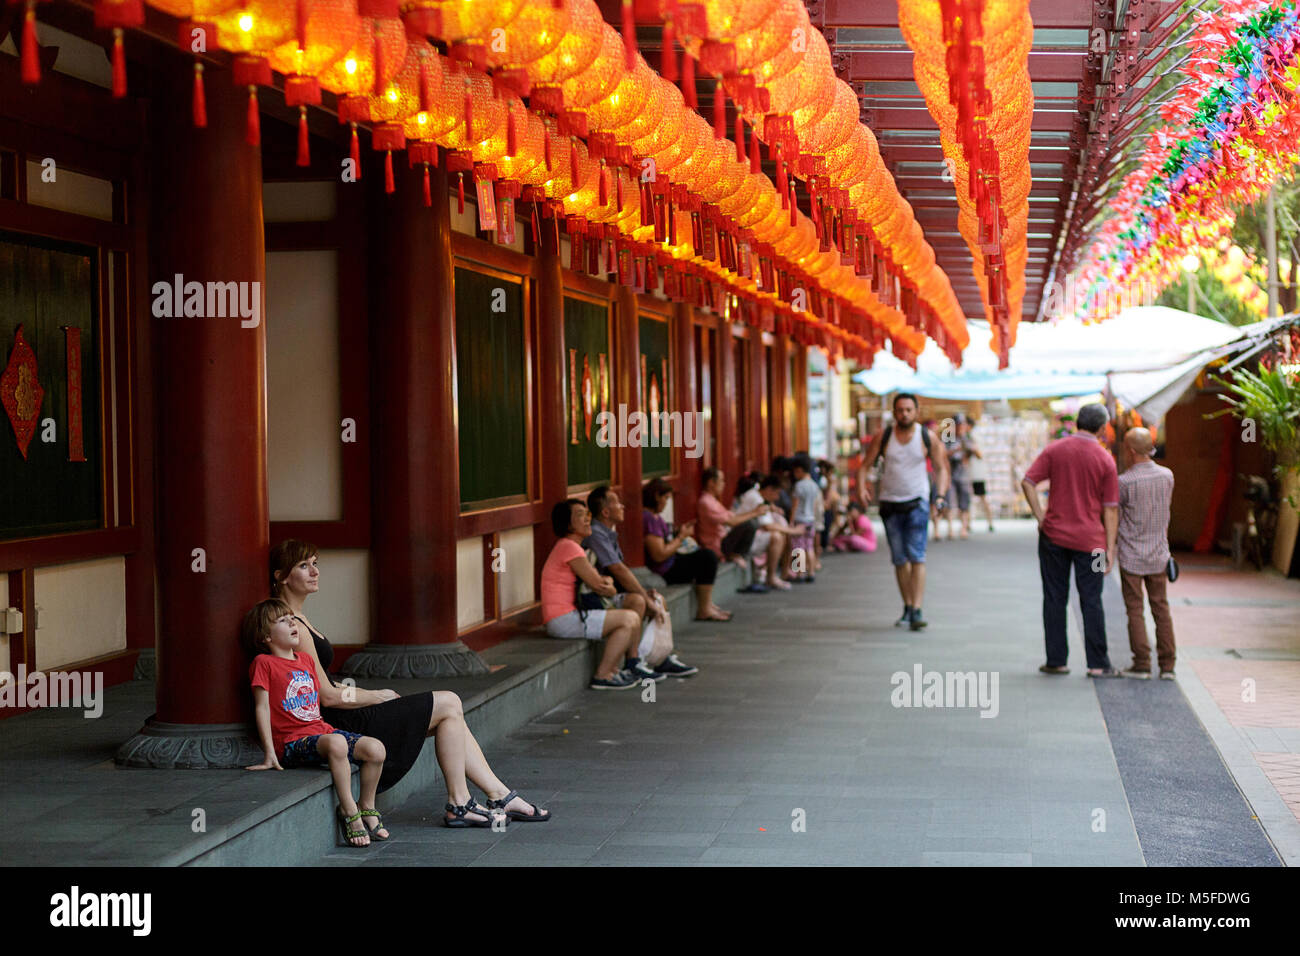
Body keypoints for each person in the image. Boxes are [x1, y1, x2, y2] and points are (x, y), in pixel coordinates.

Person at [270, 540, 549, 828]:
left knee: (449, 714)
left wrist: (371, 694)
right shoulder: (291, 624)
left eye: (315, 563)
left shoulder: (299, 619)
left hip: (343, 712)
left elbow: (325, 682)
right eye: (304, 566)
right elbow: (326, 696)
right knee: (449, 702)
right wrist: (376, 696)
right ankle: (467, 801)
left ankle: (487, 796)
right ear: (280, 576)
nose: (314, 571)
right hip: (338, 722)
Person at [242, 599, 388, 846]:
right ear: (265, 636)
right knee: (338, 744)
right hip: (291, 742)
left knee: (376, 749)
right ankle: (349, 812)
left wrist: (370, 695)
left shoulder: (306, 660)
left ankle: (366, 805)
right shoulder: (263, 663)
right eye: (282, 620)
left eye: (292, 618)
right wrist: (269, 753)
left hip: (321, 732)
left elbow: (328, 692)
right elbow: (262, 707)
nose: (292, 622)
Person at [1020, 403, 1121, 678]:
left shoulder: (1055, 449)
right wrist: (1110, 549)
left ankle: (1056, 660)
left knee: (1054, 597)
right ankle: (1098, 664)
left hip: (1053, 537)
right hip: (1095, 544)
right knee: (1093, 599)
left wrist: (1040, 517)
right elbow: (1111, 508)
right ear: (1102, 428)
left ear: (1077, 423)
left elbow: (1028, 481)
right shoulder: (1106, 460)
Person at [584, 485, 698, 678]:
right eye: (617, 503)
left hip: (609, 592)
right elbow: (618, 570)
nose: (622, 506)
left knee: (656, 599)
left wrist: (646, 594)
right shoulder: (596, 534)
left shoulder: (608, 533)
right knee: (639, 601)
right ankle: (634, 662)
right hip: (595, 597)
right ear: (605, 511)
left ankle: (660, 657)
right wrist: (645, 597)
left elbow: (621, 571)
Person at [858, 394, 949, 630]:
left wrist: (939, 497)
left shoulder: (926, 437)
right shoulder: (884, 436)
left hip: (917, 501)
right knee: (899, 559)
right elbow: (865, 465)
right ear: (894, 412)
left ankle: (917, 609)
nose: (904, 414)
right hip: (889, 503)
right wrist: (861, 488)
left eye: (909, 410)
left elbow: (941, 469)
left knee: (917, 556)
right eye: (900, 410)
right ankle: (907, 606)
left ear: (916, 411)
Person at [542, 498, 644, 690]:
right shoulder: (569, 547)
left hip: (568, 616)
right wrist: (610, 584)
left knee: (631, 618)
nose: (587, 519)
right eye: (580, 515)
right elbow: (600, 585)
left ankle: (612, 671)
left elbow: (601, 583)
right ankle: (603, 675)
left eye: (587, 514)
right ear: (566, 523)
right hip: (562, 620)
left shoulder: (571, 546)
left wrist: (608, 584)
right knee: (629, 619)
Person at [1116, 427, 1177, 680]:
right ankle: (1168, 666)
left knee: (1134, 610)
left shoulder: (1124, 482)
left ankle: (1141, 663)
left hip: (1132, 554)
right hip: (1159, 554)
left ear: (1130, 451)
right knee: (1161, 608)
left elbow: (1117, 517)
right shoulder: (1167, 476)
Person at [642, 477, 733, 621]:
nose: (666, 503)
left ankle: (707, 604)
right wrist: (681, 538)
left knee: (705, 554)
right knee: (707, 557)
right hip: (666, 569)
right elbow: (659, 554)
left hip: (672, 560)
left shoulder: (655, 518)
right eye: (665, 498)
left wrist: (679, 533)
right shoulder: (648, 519)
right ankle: (704, 609)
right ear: (656, 496)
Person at [735, 473, 806, 591]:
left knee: (785, 536)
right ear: (769, 489)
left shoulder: (758, 496)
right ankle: (776, 575)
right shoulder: (757, 499)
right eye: (777, 493)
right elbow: (768, 526)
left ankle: (788, 571)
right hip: (742, 540)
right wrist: (793, 530)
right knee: (778, 537)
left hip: (749, 537)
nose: (777, 498)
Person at [697, 466, 770, 570]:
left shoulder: (712, 500)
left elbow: (733, 517)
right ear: (711, 483)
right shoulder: (706, 502)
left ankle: (737, 554)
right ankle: (735, 554)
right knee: (750, 524)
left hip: (723, 540)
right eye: (721, 481)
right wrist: (755, 513)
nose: (724, 484)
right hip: (717, 545)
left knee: (752, 522)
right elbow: (731, 522)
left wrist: (755, 512)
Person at [941, 414, 973, 540]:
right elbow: (942, 455)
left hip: (964, 474)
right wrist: (955, 451)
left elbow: (976, 452)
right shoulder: (948, 438)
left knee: (964, 502)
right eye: (959, 424)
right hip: (951, 473)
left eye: (963, 424)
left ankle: (964, 528)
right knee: (950, 501)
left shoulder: (968, 438)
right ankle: (950, 529)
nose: (961, 426)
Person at [789, 454, 821, 583]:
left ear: (799, 470)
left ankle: (799, 574)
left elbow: (795, 505)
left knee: (798, 548)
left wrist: (791, 521)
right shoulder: (814, 485)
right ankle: (811, 573)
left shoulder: (799, 485)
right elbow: (814, 504)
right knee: (809, 547)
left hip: (799, 519)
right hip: (810, 519)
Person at [966, 422, 995, 532]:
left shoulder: (973, 436)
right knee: (980, 499)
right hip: (976, 473)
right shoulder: (975, 435)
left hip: (975, 473)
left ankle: (987, 521)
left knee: (980, 498)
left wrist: (972, 450)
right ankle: (987, 522)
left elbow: (979, 454)